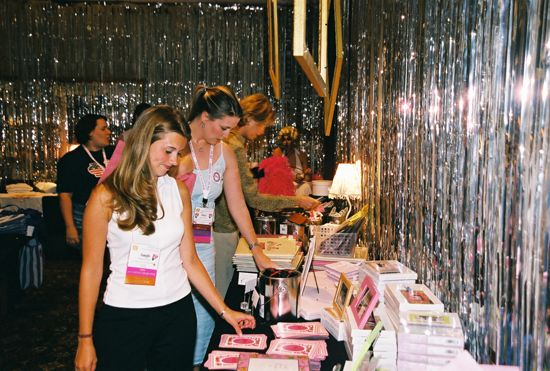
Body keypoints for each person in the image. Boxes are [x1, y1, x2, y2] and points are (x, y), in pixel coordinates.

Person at [75, 105, 255, 371]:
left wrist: (225, 311)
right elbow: (91, 270)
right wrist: (85, 338)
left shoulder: (178, 190)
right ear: (144, 141)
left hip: (177, 313)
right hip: (125, 314)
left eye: (178, 153)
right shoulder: (105, 197)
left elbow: (190, 260)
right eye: (168, 151)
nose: (174, 161)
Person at [174, 86, 276, 369]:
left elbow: (238, 205)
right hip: (173, 245)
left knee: (206, 311)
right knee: (176, 315)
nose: (225, 135)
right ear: (204, 117)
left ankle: (196, 364)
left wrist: (256, 248)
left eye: (231, 129)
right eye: (222, 127)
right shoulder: (176, 147)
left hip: (203, 243)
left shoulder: (225, 153)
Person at [213, 93, 320, 298]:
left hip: (225, 228)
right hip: (223, 230)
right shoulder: (233, 146)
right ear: (251, 119)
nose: (262, 132)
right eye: (263, 126)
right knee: (222, 294)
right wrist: (299, 201)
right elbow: (254, 198)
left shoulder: (235, 144)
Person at [57, 114, 114, 248]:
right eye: (103, 129)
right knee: (92, 255)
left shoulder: (114, 153)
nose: (109, 132)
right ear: (90, 133)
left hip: (114, 211)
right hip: (84, 214)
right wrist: (70, 227)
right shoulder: (71, 160)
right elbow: (65, 196)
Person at [99, 102, 152, 183]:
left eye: (149, 118)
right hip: (131, 178)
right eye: (143, 117)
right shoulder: (125, 137)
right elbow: (117, 163)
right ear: (137, 117)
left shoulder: (157, 135)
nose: (146, 121)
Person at [276, 125, 313, 196]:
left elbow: (307, 179)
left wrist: (307, 174)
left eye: (288, 139)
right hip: (283, 188)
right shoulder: (278, 153)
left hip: (298, 187)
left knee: (306, 186)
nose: (286, 142)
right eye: (284, 139)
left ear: (293, 140)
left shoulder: (301, 155)